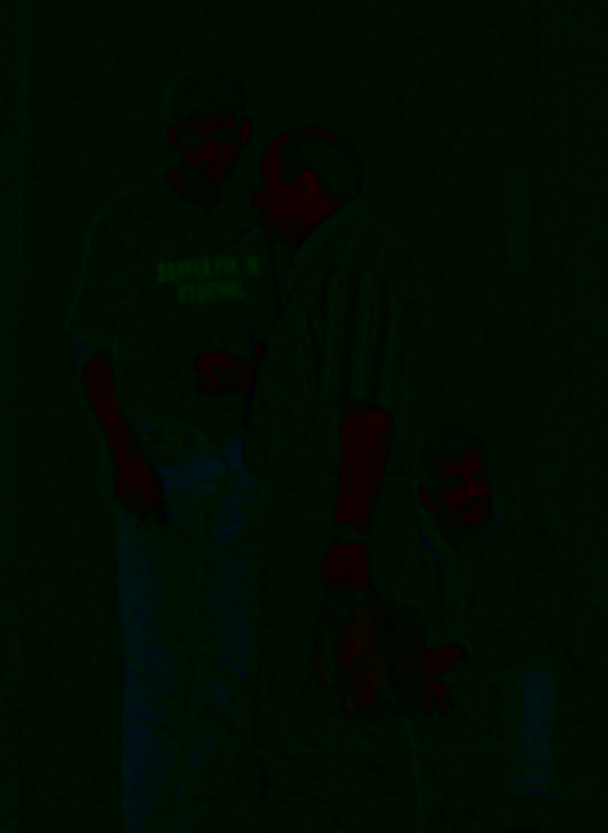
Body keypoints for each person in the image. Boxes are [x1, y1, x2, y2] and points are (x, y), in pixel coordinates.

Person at [67, 69, 279, 833]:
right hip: (162, 454)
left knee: (230, 664)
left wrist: (254, 376)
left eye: (223, 128)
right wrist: (123, 449)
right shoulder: (131, 219)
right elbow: (91, 345)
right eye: (196, 129)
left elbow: (293, 335)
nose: (210, 144)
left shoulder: (264, 219)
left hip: (243, 456)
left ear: (244, 133)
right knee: (159, 669)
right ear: (171, 136)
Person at [242, 123, 430, 833]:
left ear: (307, 186)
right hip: (321, 511)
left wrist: (348, 534)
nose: (258, 200)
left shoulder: (352, 265)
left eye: (270, 183)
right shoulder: (327, 261)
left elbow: (364, 412)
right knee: (327, 687)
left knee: (336, 686)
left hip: (329, 514)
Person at [403, 425, 577, 833]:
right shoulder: (409, 552)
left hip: (497, 686)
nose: (473, 494)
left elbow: (535, 624)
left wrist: (450, 655)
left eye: (478, 481)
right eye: (456, 486)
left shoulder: (517, 540)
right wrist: (421, 661)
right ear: (428, 498)